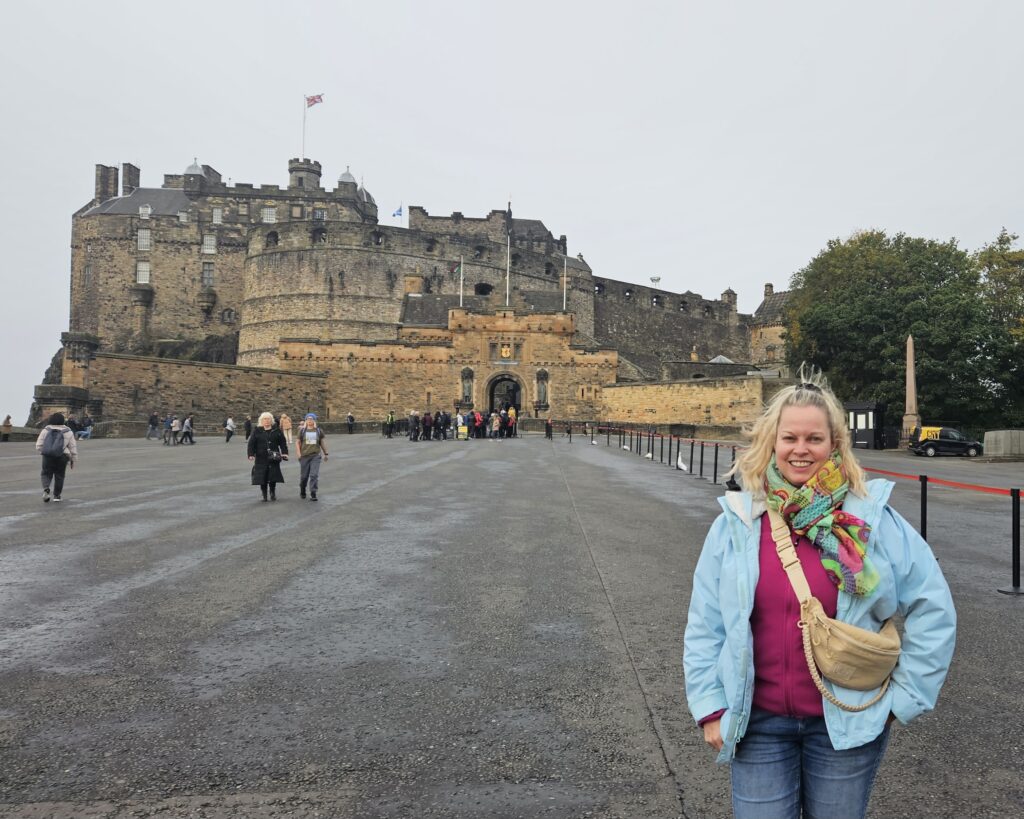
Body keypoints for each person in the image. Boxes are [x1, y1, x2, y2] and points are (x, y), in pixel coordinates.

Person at [682, 371, 956, 819]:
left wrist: (903, 699)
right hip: (757, 723)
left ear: (835, 445)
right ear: (771, 442)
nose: (801, 449)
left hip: (847, 722)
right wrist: (710, 703)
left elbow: (933, 606)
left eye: (814, 438)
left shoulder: (872, 520)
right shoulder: (737, 524)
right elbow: (705, 621)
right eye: (789, 437)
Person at [35, 412, 77, 502]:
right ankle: (57, 496)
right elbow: (72, 447)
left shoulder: (46, 430)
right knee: (60, 476)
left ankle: (46, 489)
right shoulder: (68, 431)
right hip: (62, 456)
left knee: (46, 473)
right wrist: (73, 459)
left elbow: (38, 445)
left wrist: (45, 451)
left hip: (48, 456)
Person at [247, 411, 288, 501]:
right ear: (261, 420)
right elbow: (251, 444)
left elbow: (283, 443)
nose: (266, 421)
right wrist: (251, 454)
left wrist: (284, 453)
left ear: (271, 420)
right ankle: (264, 495)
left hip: (274, 457)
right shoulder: (257, 431)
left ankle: (272, 493)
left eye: (268, 419)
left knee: (273, 475)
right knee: (262, 476)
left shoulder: (277, 430)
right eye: (264, 419)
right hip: (260, 457)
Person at [297, 413, 328, 501]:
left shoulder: (318, 430)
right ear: (306, 420)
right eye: (308, 419)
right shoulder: (302, 431)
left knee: (314, 475)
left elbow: (322, 442)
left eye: (311, 419)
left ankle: (313, 493)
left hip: (315, 456)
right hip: (304, 456)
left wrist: (326, 453)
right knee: (304, 477)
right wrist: (299, 454)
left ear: (314, 420)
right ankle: (302, 490)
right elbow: (298, 442)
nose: (310, 421)